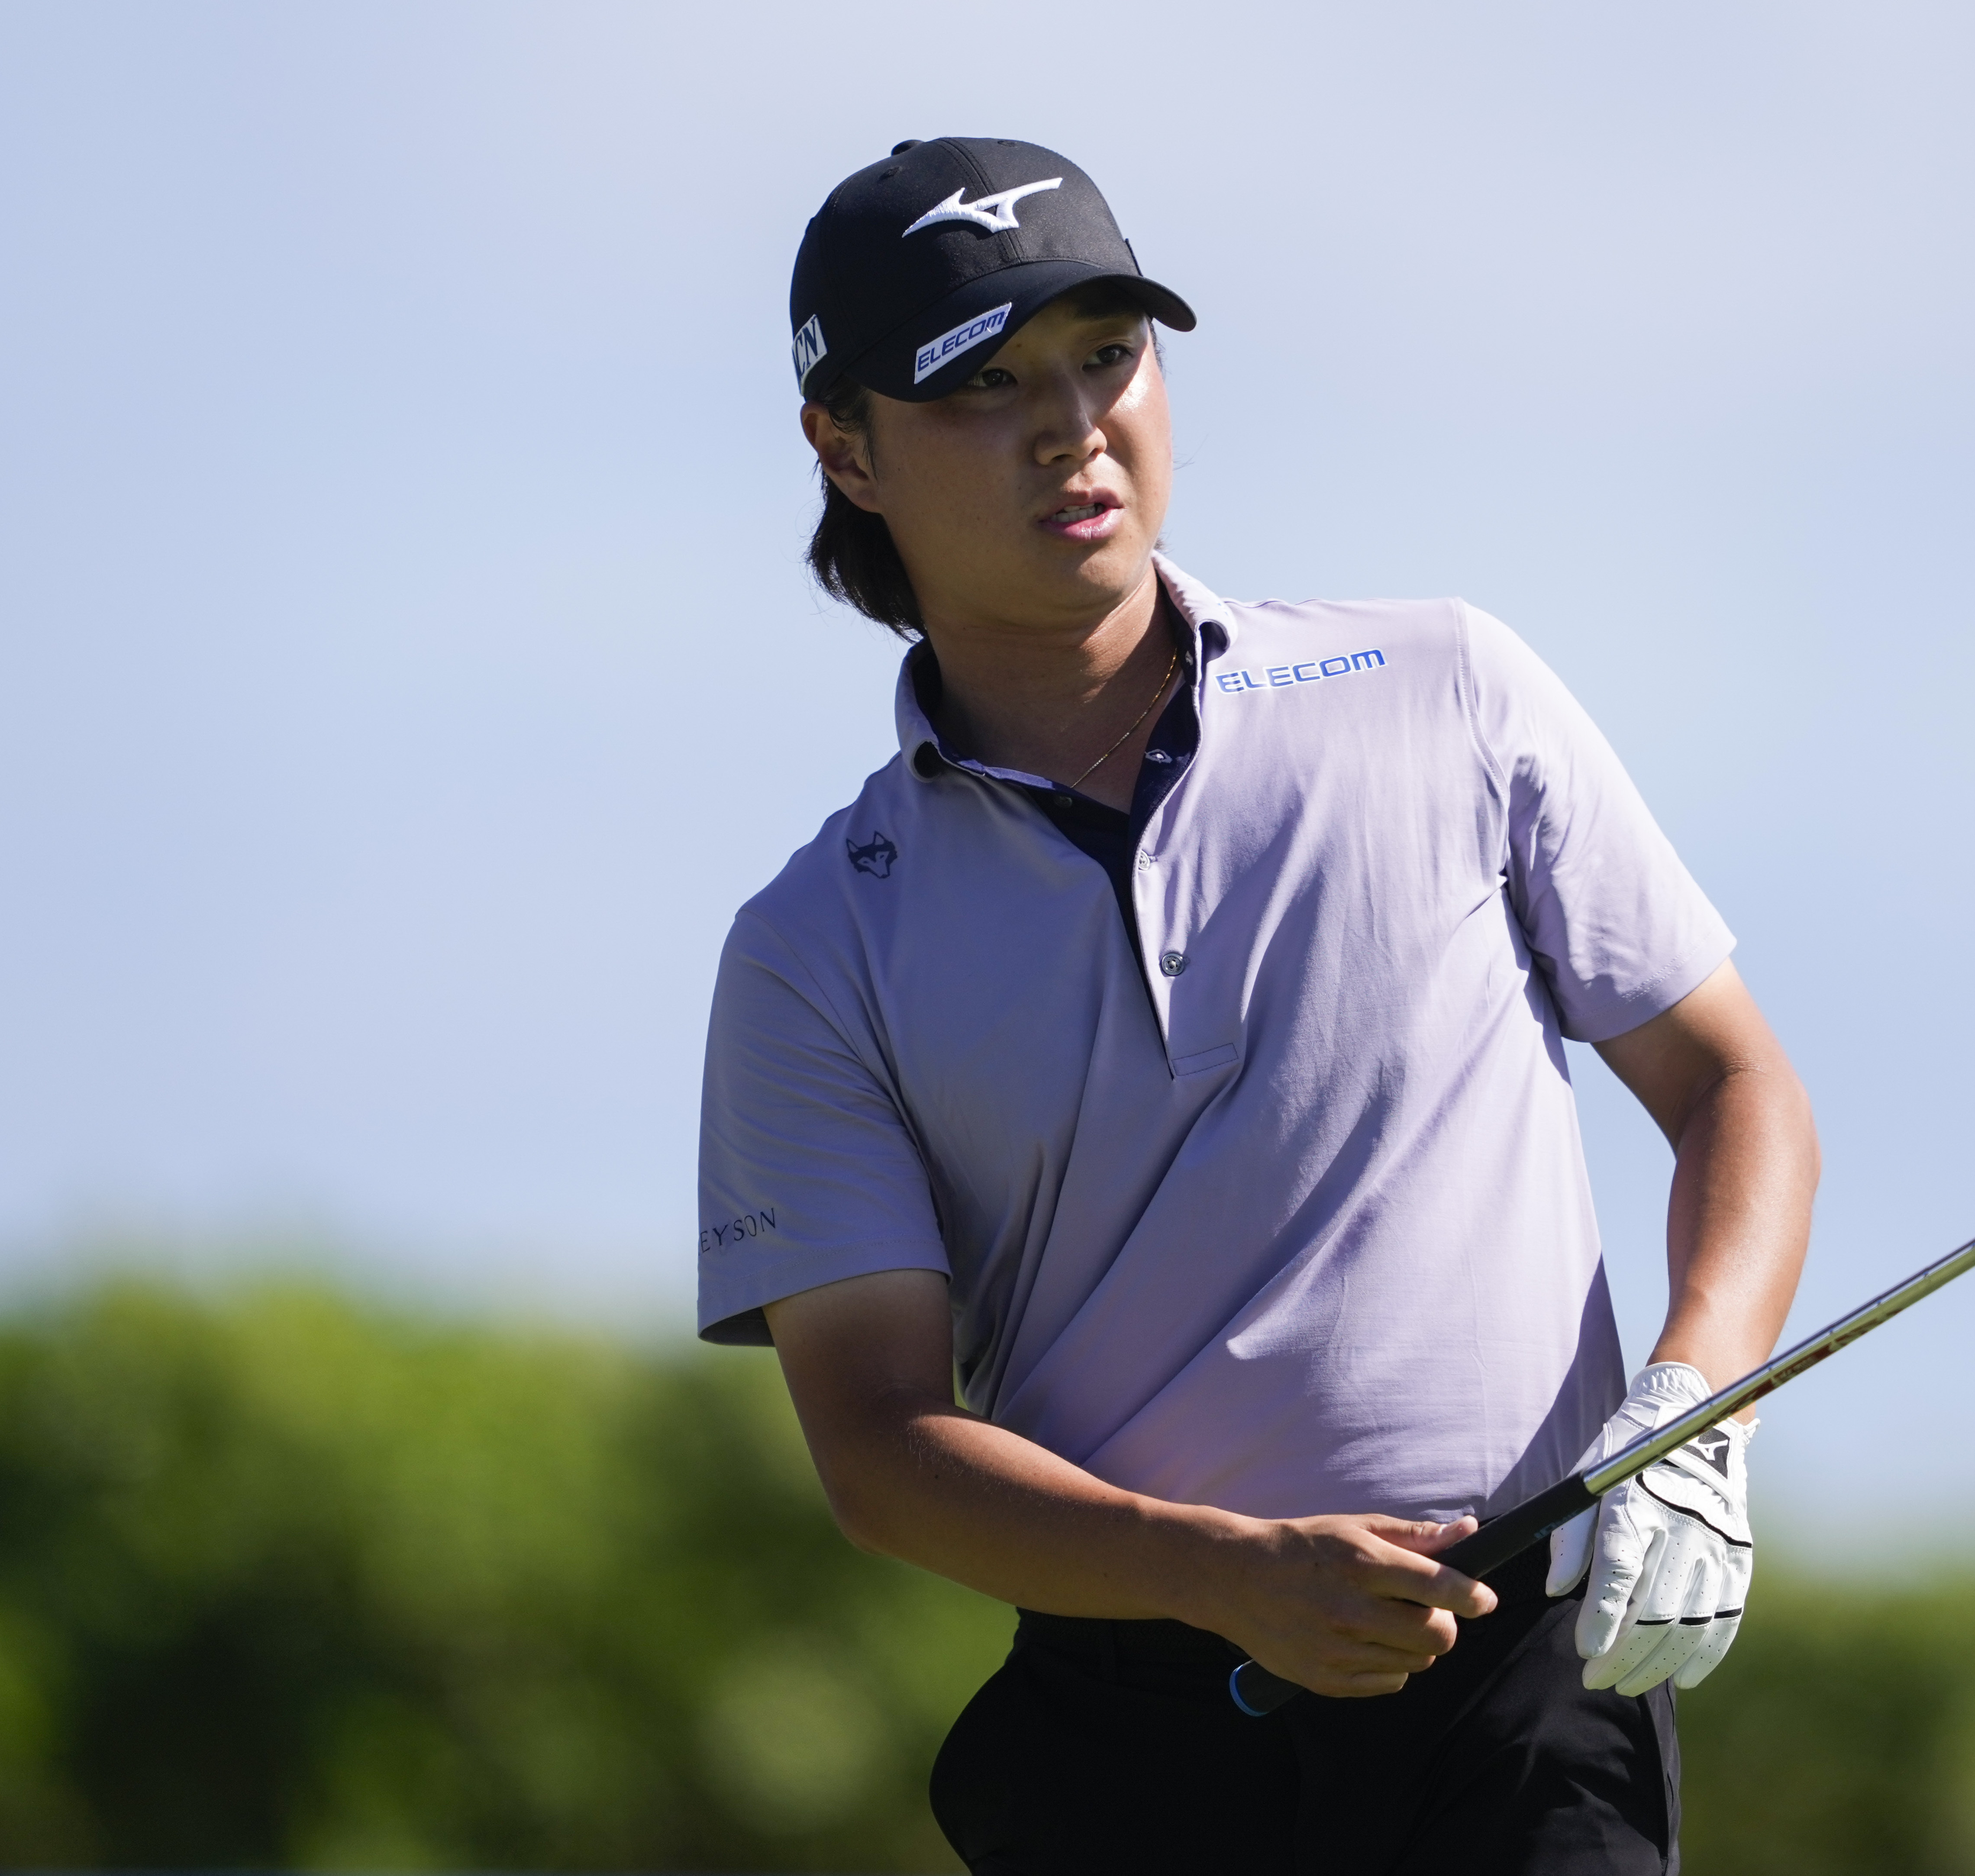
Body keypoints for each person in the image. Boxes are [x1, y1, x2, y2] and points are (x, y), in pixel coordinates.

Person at [696, 136, 1820, 1873]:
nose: (1073, 424)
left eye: (1104, 355)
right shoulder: (816, 943)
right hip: (1143, 1735)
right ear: (842, 447)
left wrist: (1695, 1403)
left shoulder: (1446, 684)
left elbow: (1733, 1085)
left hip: (1522, 1677)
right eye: (986, 385)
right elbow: (878, 1439)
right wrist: (1222, 1574)